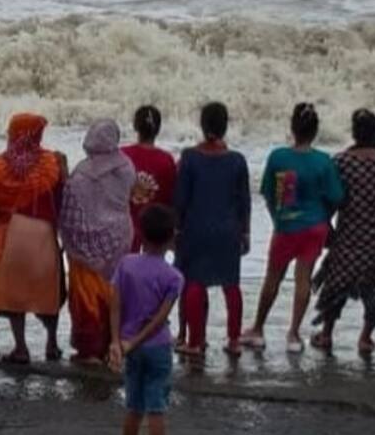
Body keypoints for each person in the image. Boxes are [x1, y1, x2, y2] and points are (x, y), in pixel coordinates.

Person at [246, 103, 346, 352]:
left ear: (292, 128)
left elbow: (268, 193)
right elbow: (336, 196)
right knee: (303, 279)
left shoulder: (278, 157)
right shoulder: (323, 161)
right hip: (314, 228)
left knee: (273, 277)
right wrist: (325, 218)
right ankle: (293, 335)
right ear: (315, 131)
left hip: (286, 226)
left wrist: (277, 218)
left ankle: (257, 329)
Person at [0, 113, 66, 366]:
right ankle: (52, 344)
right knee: (48, 294)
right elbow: (62, 198)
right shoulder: (52, 162)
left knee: (15, 297)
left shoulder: (2, 164)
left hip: (12, 234)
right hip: (43, 235)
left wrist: (5, 204)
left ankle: (21, 348)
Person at [108, 202, 184, 435]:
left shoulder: (126, 264)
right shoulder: (173, 276)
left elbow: (115, 302)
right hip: (155, 347)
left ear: (141, 232)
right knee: (157, 410)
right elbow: (158, 321)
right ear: (171, 238)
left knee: (133, 407)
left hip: (129, 345)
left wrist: (118, 341)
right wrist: (133, 342)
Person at [173, 103, 252, 358]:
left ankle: (195, 342)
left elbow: (181, 199)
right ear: (225, 126)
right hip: (228, 230)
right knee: (231, 284)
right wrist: (246, 233)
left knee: (195, 282)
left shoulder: (190, 157)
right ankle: (234, 340)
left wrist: (176, 229)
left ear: (202, 124)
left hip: (196, 228)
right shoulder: (237, 161)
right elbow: (244, 202)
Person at [60, 120, 137, 368]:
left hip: (85, 246)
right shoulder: (126, 167)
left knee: (86, 294)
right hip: (118, 237)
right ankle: (110, 343)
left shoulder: (82, 173)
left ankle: (89, 348)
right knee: (113, 290)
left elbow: (70, 213)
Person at [311, 109, 375, 355]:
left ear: (354, 133)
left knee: (334, 286)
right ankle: (365, 337)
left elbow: (329, 199)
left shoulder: (341, 162)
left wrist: (327, 228)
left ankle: (327, 333)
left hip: (348, 238)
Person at [122, 105, 178, 251]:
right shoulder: (166, 160)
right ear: (158, 129)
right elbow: (169, 199)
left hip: (124, 229)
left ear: (135, 126)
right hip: (155, 233)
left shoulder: (122, 155)